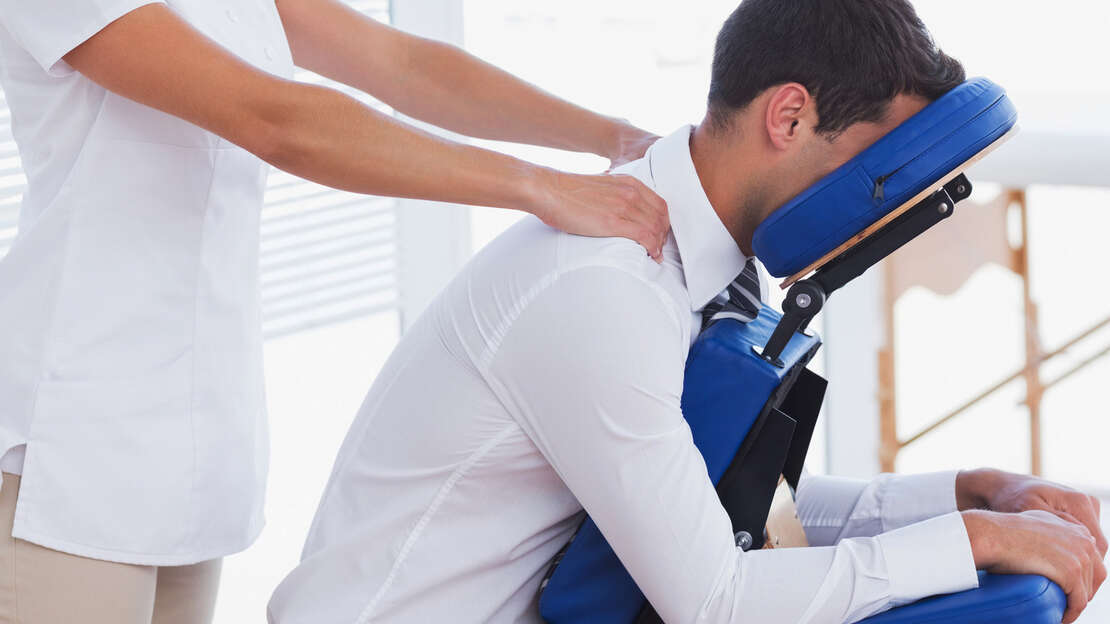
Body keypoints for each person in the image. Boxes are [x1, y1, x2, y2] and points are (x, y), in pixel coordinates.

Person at [267, 1, 1108, 623]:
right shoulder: (608, 286)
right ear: (789, 116)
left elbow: (718, 512)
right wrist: (971, 542)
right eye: (879, 169)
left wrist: (966, 498)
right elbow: (716, 600)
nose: (878, 211)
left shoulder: (698, 259)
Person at [0, 1, 671, 622]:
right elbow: (276, 121)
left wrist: (615, 138)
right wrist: (540, 187)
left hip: (195, 443)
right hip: (69, 443)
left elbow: (404, 65)